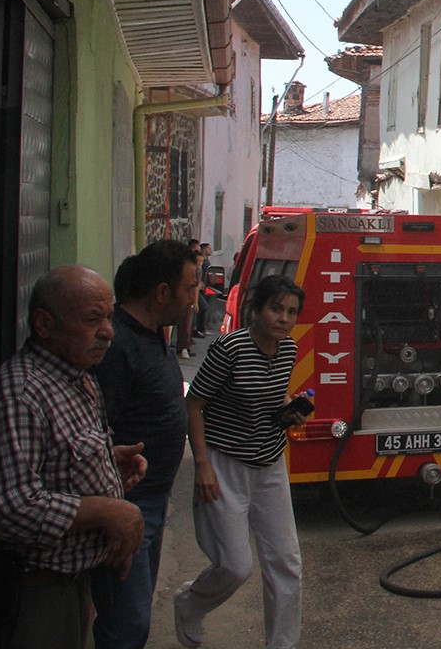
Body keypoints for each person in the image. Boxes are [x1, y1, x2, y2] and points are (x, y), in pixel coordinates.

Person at [0, 266, 149, 649]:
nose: (108, 331)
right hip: (36, 593)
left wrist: (108, 465)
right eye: (93, 319)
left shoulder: (78, 378)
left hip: (75, 584)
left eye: (108, 317)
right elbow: (8, 507)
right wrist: (104, 510)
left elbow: (53, 460)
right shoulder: (22, 393)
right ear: (44, 324)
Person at [174, 275, 308, 649]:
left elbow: (277, 393)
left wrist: (289, 410)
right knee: (234, 566)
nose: (283, 318)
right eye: (276, 308)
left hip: (269, 463)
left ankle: (282, 644)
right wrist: (202, 465)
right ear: (257, 309)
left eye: (291, 312)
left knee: (286, 562)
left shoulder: (288, 351)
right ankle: (190, 602)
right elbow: (195, 405)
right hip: (225, 463)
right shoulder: (229, 348)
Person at [90, 241, 199, 649]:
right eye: (189, 289)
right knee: (127, 624)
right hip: (127, 503)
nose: (194, 299)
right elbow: (102, 426)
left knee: (134, 619)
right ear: (161, 292)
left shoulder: (153, 334)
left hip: (152, 501)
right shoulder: (118, 346)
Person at [176, 240, 201, 359]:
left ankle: (184, 346)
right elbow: (195, 287)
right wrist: (195, 301)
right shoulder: (192, 271)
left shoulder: (196, 270)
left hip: (187, 300)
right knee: (185, 325)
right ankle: (184, 347)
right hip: (186, 301)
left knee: (186, 325)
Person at [192, 243, 213, 339]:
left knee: (202, 307)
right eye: (209, 248)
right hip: (198, 288)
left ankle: (199, 328)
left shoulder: (202, 263)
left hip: (202, 286)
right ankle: (195, 329)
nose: (211, 251)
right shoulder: (195, 268)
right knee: (200, 307)